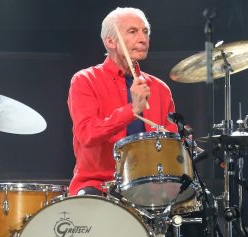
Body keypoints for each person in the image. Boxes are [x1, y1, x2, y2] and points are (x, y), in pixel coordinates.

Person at [67, 7, 177, 196]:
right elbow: (86, 134)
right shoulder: (85, 80)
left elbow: (171, 141)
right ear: (110, 41)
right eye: (133, 32)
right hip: (100, 185)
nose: (143, 39)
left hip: (150, 186)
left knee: (199, 202)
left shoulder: (159, 88)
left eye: (145, 32)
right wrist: (132, 109)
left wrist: (185, 143)